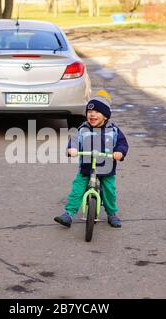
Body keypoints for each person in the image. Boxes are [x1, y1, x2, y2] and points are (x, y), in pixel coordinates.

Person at [54, 90, 129, 228]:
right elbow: (75, 140)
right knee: (77, 189)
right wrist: (72, 149)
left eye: (96, 112)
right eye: (89, 112)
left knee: (109, 191)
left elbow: (122, 143)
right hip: (87, 167)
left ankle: (112, 213)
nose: (92, 114)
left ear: (105, 116)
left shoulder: (113, 130)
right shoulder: (83, 129)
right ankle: (69, 214)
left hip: (107, 168)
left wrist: (119, 152)